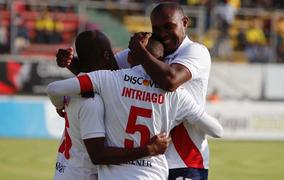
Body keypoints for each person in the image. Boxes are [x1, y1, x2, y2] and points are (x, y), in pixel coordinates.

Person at [56, 2, 214, 179]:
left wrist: (140, 51)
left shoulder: (195, 51)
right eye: (156, 28)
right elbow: (105, 75)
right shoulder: (147, 51)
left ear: (185, 22)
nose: (162, 33)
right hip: (150, 163)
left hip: (185, 159)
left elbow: (170, 81)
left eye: (169, 26)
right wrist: (72, 63)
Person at [50, 30, 170, 180]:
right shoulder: (92, 100)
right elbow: (98, 155)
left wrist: (59, 103)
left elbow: (55, 89)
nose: (117, 56)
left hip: (65, 168)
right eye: (112, 52)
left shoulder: (77, 87)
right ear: (107, 54)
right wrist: (148, 149)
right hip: (83, 174)